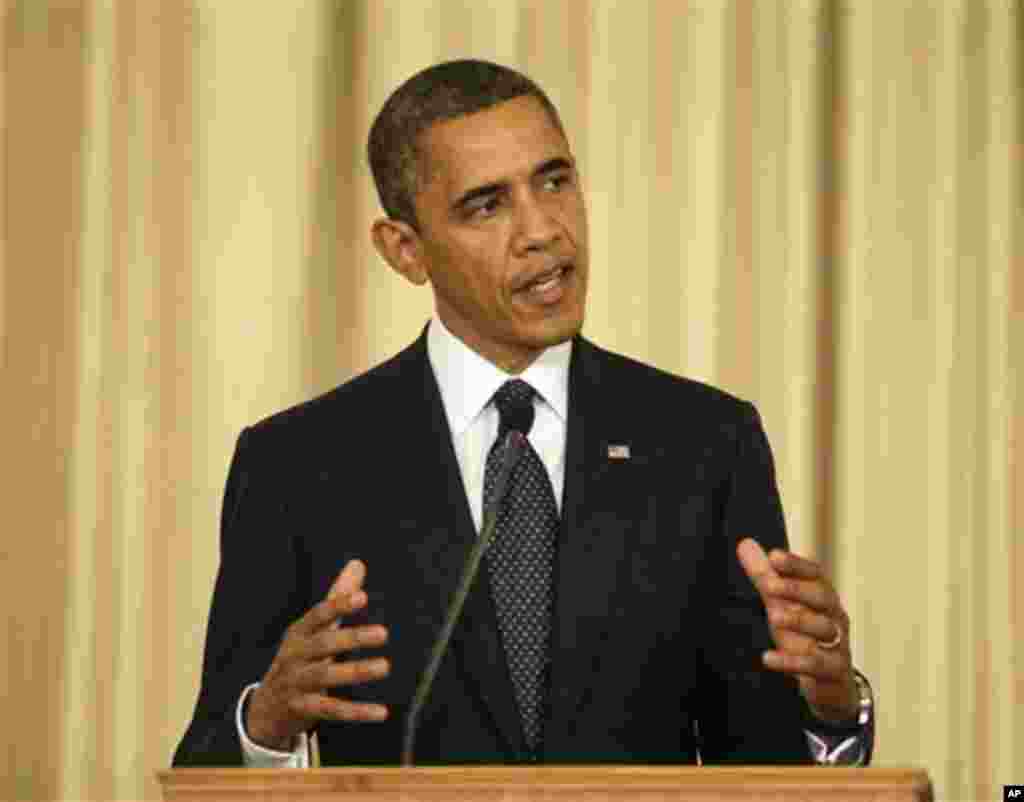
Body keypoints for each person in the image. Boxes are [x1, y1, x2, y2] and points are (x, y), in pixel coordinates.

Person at [173, 59, 874, 768]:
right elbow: (207, 765)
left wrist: (829, 712)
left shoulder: (705, 446)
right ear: (405, 251)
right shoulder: (298, 464)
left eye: (554, 181)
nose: (542, 230)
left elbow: (757, 765)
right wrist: (263, 725)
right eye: (487, 204)